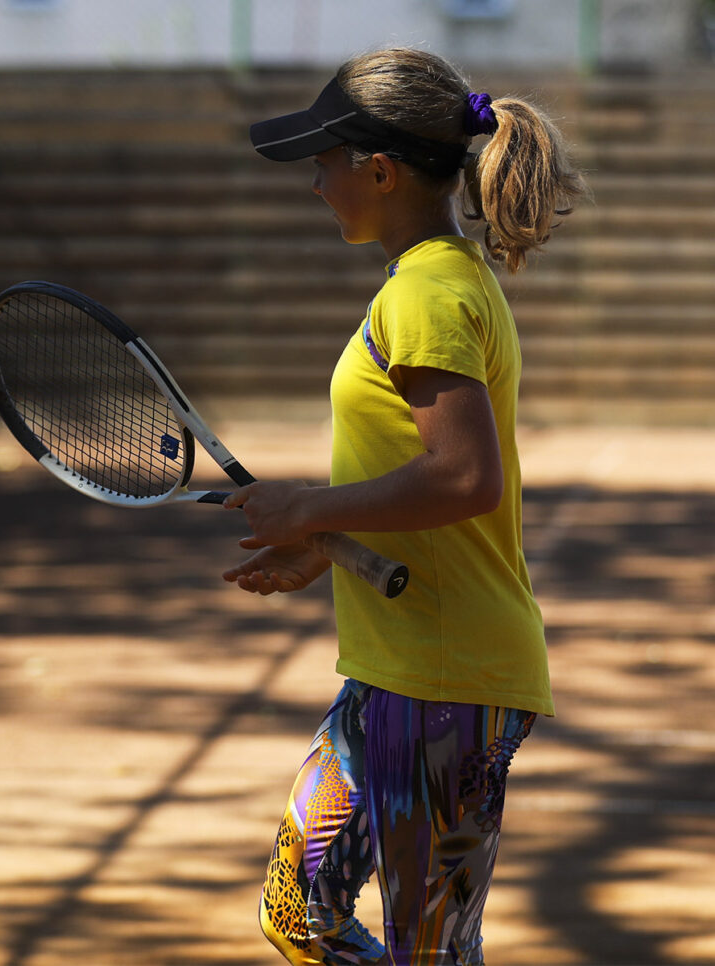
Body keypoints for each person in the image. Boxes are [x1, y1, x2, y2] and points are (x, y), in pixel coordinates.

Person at [222, 47, 587, 966]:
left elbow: (464, 477)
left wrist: (305, 507)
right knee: (297, 913)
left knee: (430, 956)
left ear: (378, 170)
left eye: (324, 163)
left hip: (447, 688)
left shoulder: (427, 292)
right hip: (392, 676)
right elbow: (423, 475)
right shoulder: (427, 282)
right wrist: (327, 541)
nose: (315, 184)